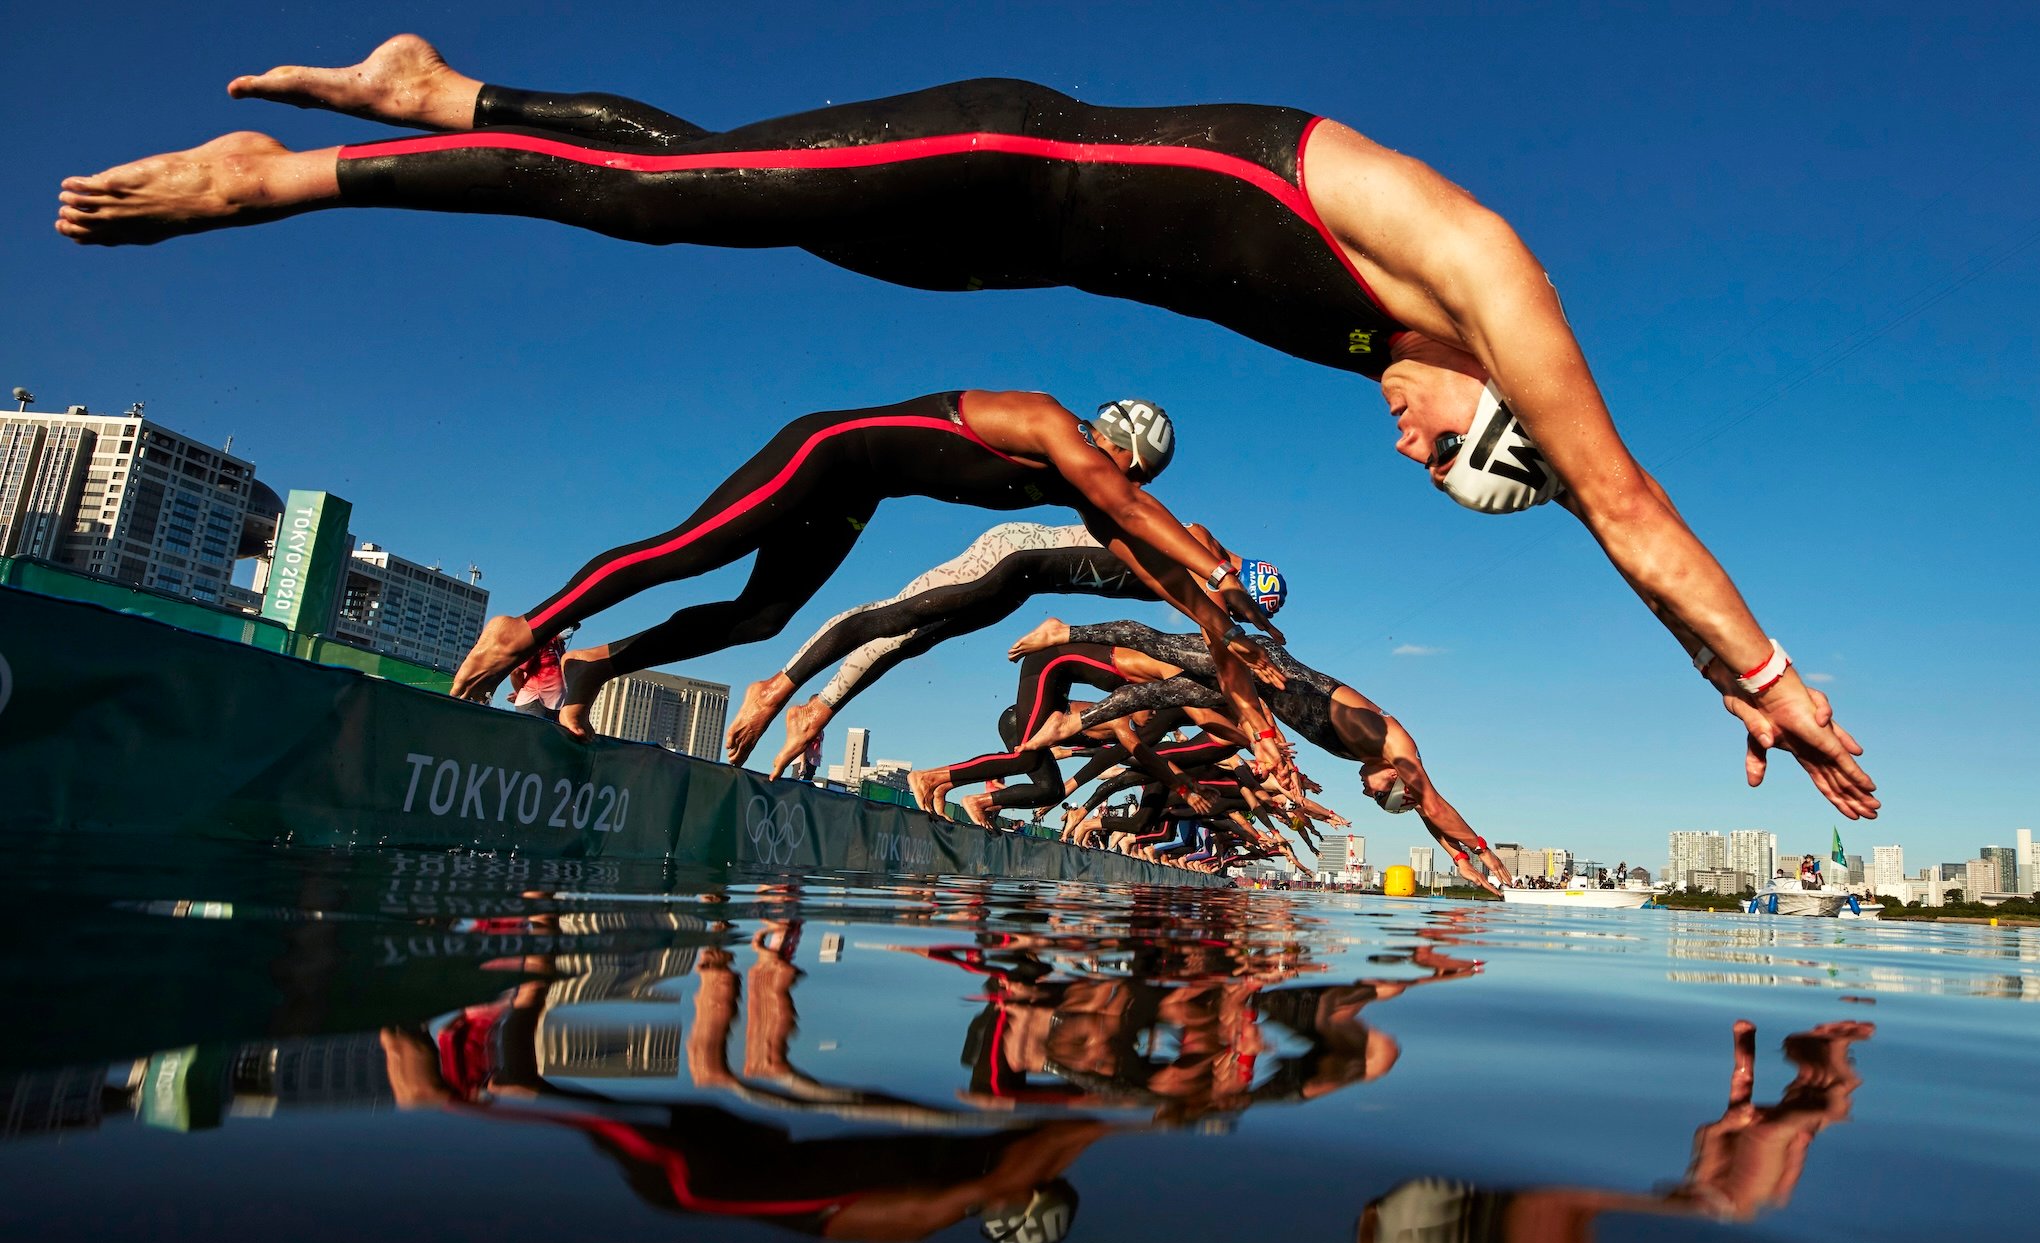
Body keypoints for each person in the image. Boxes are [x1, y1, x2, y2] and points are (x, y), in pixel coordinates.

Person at [58, 35, 1875, 819]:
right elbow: (1615, 492)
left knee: (695, 174)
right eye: (1438, 443)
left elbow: (1591, 513)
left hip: (988, 255)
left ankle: (441, 91)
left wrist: (1702, 677)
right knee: (666, 205)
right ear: (1503, 399)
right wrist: (1770, 667)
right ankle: (284, 178)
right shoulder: (1478, 273)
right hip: (1004, 152)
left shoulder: (1446, 371)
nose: (1395, 437)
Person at [426, 387, 1285, 748]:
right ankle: (531, 628)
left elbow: (1160, 562)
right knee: (695, 549)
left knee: (759, 619)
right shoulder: (1051, 423)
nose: (1122, 489)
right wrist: (1221, 568)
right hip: (824, 454)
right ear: (1115, 446)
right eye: (1127, 473)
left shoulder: (1099, 493)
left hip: (852, 498)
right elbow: (1137, 516)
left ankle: (593, 665)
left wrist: (1226, 627)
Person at [723, 516, 1285, 774]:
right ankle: (778, 686)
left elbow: (1225, 666)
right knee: (898, 617)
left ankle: (817, 709)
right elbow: (1206, 548)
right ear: (1243, 577)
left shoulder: (1202, 600)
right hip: (1012, 552)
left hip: (1024, 583)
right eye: (1248, 606)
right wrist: (1233, 596)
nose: (1240, 618)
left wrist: (1260, 733)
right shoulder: (1202, 547)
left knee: (912, 643)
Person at [1011, 617, 1513, 890]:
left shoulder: (1390, 762)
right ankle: (1067, 633)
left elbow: (1428, 808)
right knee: (1160, 650)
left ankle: (1075, 721)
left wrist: (1454, 854)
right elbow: (1433, 803)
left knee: (1166, 692)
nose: (1367, 791)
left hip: (1258, 694)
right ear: (1397, 778)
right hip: (1265, 665)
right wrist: (1481, 847)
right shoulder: (1393, 744)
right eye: (1380, 795)